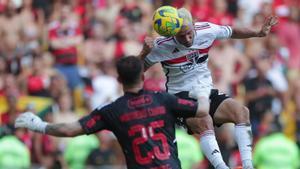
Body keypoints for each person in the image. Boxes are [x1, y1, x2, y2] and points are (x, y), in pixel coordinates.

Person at [138, 7, 278, 169]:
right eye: (181, 36)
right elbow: (134, 72)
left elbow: (232, 31)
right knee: (205, 120)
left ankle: (248, 166)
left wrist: (258, 32)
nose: (187, 38)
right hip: (179, 97)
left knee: (241, 112)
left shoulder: (206, 30)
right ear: (172, 33)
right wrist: (143, 53)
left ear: (194, 24)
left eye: (189, 32)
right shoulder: (161, 46)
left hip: (205, 92)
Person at [15, 56, 210, 169]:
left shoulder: (112, 110)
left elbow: (69, 131)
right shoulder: (163, 99)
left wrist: (39, 125)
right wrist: (202, 90)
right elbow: (202, 110)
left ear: (118, 80)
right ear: (143, 76)